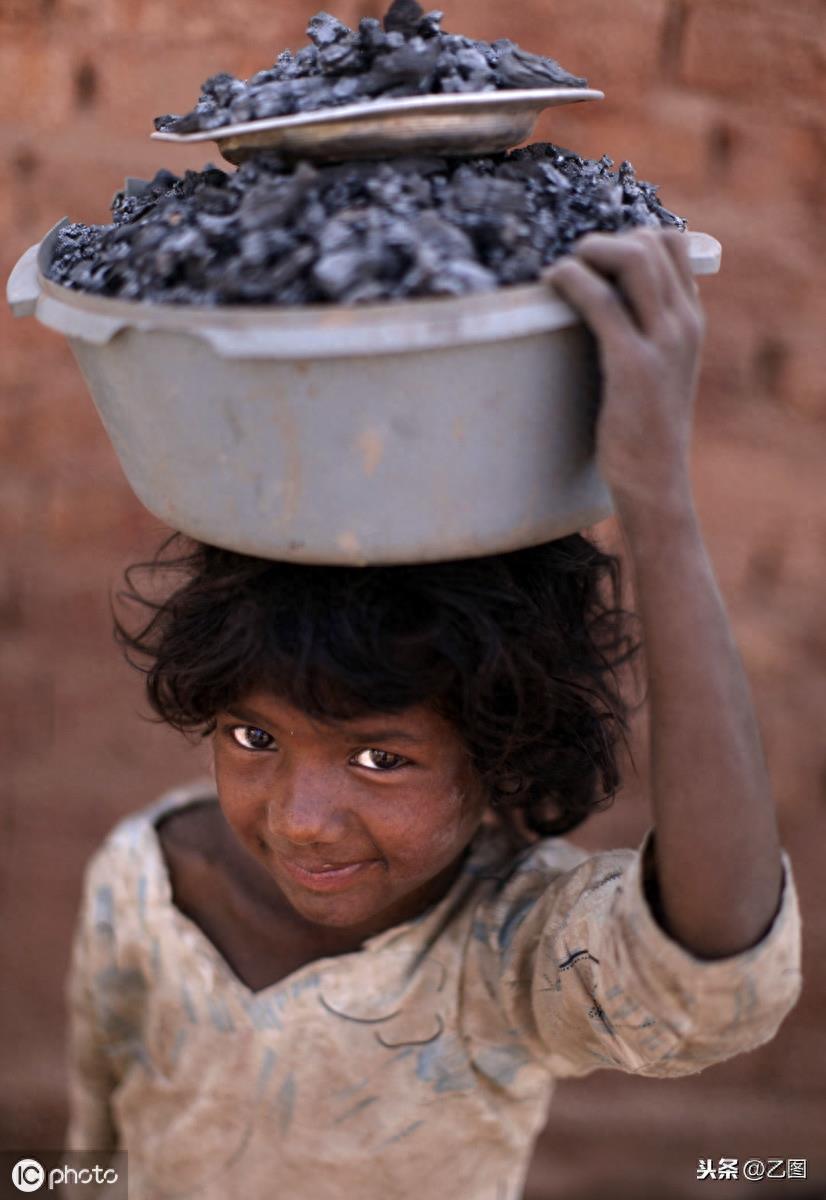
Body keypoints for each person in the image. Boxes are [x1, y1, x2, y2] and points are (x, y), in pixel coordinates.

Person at [64, 228, 801, 1199]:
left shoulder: (503, 955)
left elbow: (711, 966)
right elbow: (92, 1146)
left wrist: (656, 498)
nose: (299, 819)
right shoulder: (142, 883)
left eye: (379, 759)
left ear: (499, 755)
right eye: (254, 738)